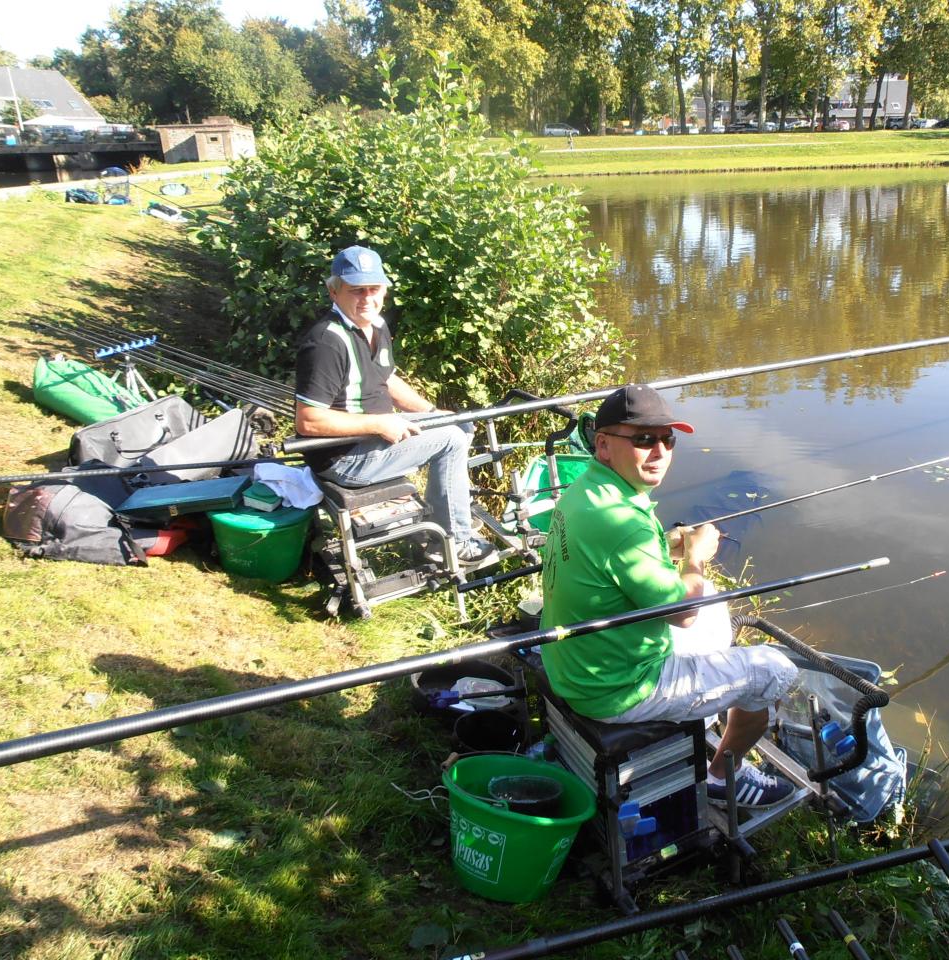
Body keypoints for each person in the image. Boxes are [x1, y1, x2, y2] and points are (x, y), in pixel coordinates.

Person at [539, 383, 798, 809]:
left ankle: (710, 707)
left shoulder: (587, 492)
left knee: (712, 596)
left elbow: (615, 560)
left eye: (667, 438)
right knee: (774, 670)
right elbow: (683, 615)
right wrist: (694, 555)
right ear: (604, 445)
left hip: (577, 662)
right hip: (617, 688)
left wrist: (669, 542)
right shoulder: (623, 521)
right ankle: (720, 776)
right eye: (643, 439)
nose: (659, 451)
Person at [295, 245, 495, 566]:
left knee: (461, 425)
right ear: (334, 292)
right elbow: (308, 421)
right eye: (356, 290)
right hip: (343, 458)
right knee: (451, 441)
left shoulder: (376, 326)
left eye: (373, 288)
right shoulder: (326, 343)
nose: (367, 298)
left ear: (384, 291)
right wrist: (380, 423)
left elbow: (388, 380)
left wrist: (429, 412)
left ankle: (451, 513)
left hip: (370, 438)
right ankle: (454, 541)